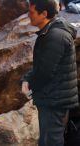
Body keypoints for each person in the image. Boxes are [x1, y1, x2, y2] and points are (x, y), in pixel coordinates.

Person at [21, 0, 78, 146]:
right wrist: (26, 78)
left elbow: (45, 72)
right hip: (53, 97)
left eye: (32, 12)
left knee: (51, 141)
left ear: (44, 14)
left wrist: (28, 83)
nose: (29, 15)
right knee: (47, 140)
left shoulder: (55, 36)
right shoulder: (51, 31)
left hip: (55, 99)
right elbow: (42, 66)